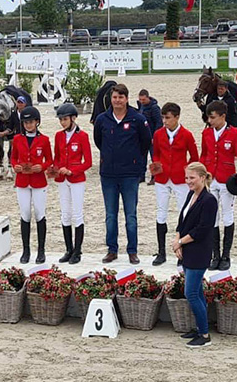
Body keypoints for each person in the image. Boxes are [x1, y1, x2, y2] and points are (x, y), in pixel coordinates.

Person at [93, 83, 152, 264]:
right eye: (114, 97)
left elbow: (145, 142)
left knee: (130, 215)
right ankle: (112, 250)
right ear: (111, 99)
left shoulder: (137, 118)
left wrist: (136, 164)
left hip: (129, 174)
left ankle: (132, 251)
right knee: (111, 215)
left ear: (126, 99)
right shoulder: (102, 119)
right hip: (108, 174)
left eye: (121, 97)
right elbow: (98, 141)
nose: (117, 100)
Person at [199, 100, 237, 271]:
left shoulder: (234, 133)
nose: (210, 121)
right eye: (209, 117)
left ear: (223, 116)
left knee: (227, 215)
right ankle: (215, 254)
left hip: (226, 179)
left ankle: (226, 255)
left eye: (213, 117)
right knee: (212, 215)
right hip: (210, 179)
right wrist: (200, 175)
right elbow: (204, 155)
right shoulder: (206, 133)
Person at [173, 162, 219, 348]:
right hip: (187, 249)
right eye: (186, 177)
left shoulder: (209, 200)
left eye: (192, 178)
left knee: (191, 293)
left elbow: (202, 229)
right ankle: (200, 327)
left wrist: (181, 242)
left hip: (199, 251)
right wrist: (177, 239)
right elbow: (182, 220)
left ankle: (205, 335)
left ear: (202, 177)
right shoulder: (191, 194)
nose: (188, 181)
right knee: (197, 292)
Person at [149, 102, 199, 266]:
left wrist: (186, 171)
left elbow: (194, 156)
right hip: (162, 178)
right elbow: (156, 153)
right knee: (161, 212)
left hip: (180, 179)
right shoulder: (158, 134)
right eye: (163, 117)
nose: (164, 121)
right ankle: (161, 251)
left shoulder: (187, 134)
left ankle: (183, 252)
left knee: (183, 213)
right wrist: (157, 165)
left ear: (177, 117)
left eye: (168, 118)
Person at [11, 106, 52, 263]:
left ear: (37, 122)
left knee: (40, 214)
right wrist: (15, 166)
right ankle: (26, 250)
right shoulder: (17, 139)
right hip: (22, 181)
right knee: (25, 214)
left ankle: (41, 250)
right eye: (26, 122)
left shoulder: (44, 140)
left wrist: (42, 166)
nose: (28, 125)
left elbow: (49, 159)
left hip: (38, 181)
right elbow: (13, 157)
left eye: (31, 122)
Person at [52, 103, 92, 264]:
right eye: (61, 120)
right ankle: (69, 249)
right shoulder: (58, 135)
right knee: (65, 214)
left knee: (77, 213)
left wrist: (72, 170)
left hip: (76, 179)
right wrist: (56, 168)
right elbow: (57, 157)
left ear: (73, 118)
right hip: (62, 179)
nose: (62, 123)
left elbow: (88, 162)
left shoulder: (82, 136)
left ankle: (77, 250)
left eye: (65, 119)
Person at [138, 89, 163, 185]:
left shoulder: (154, 108)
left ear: (148, 98)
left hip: (152, 136)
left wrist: (155, 136)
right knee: (142, 157)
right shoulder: (142, 107)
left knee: (155, 158)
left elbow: (159, 123)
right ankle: (141, 176)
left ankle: (156, 177)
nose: (142, 101)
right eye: (140, 100)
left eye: (143, 100)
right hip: (143, 137)